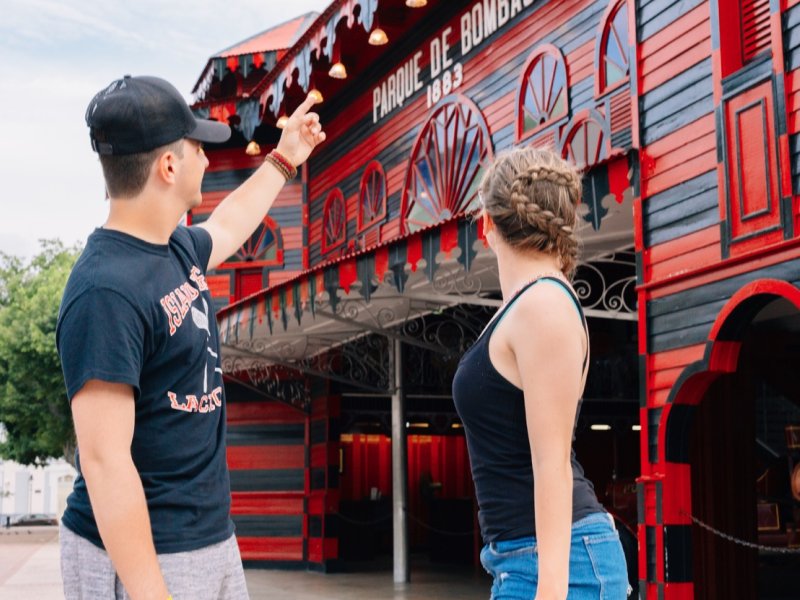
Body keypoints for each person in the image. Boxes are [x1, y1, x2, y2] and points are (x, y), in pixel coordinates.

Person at [56, 75, 325, 600]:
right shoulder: (102, 291)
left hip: (208, 538)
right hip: (146, 555)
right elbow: (106, 462)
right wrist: (151, 592)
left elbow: (228, 225)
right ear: (169, 166)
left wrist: (284, 157)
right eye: (198, 146)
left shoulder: (174, 248)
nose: (207, 158)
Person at [452, 147, 630, 599]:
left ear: (486, 225)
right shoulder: (528, 305)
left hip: (556, 565)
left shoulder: (544, 305)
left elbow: (551, 464)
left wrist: (550, 591)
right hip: (526, 558)